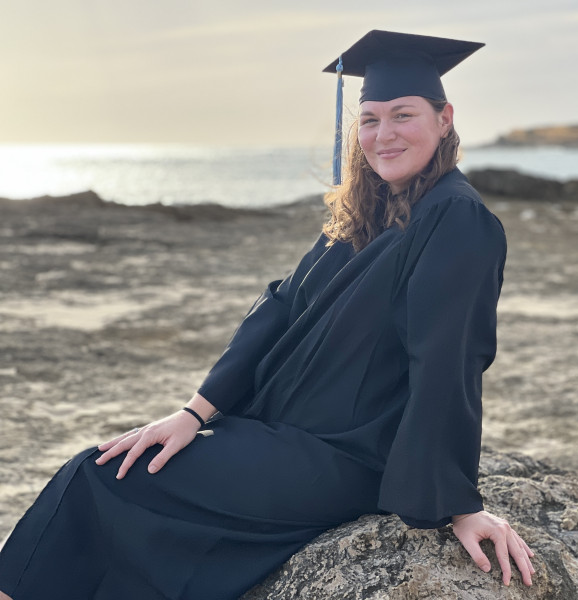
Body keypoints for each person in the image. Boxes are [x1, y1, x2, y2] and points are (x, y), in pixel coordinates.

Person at [0, 30, 534, 600]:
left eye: (403, 115)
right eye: (371, 119)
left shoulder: (456, 219)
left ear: (444, 118)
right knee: (119, 467)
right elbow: (282, 303)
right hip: (283, 429)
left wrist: (458, 504)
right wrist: (194, 412)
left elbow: (447, 359)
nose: (384, 135)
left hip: (347, 454)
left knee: (100, 476)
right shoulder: (371, 209)